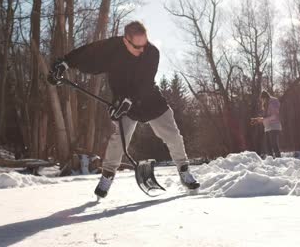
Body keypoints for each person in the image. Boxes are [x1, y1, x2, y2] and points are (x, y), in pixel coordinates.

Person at [47, 21, 200, 198]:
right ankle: (106, 177)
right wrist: (65, 63)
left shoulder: (152, 53)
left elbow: (144, 83)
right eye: (137, 46)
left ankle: (184, 172)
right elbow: (89, 52)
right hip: (123, 103)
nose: (142, 49)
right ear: (125, 40)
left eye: (145, 44)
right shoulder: (113, 48)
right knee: (119, 139)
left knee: (172, 135)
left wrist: (127, 101)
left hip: (150, 100)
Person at [250, 91, 282, 158]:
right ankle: (271, 161)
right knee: (268, 146)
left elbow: (274, 116)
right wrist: (257, 120)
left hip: (274, 126)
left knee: (274, 144)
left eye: (263, 99)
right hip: (267, 127)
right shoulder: (266, 104)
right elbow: (266, 117)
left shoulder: (272, 103)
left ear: (266, 97)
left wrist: (263, 119)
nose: (262, 101)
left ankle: (278, 159)